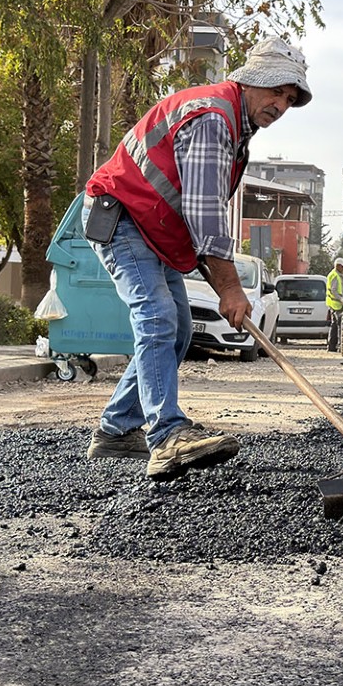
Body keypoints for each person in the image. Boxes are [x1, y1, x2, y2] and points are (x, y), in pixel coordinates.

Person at [80, 36, 311, 479]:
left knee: (180, 328)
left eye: (289, 98)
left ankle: (116, 429)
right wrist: (230, 287)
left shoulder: (235, 126)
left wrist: (224, 283)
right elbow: (205, 213)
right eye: (276, 91)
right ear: (252, 80)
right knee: (157, 317)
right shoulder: (212, 119)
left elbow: (196, 213)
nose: (281, 105)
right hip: (123, 216)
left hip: (152, 226)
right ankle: (167, 435)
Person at [325, 257, 343, 352]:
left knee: (334, 325)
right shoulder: (335, 275)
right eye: (342, 267)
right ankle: (340, 346)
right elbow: (334, 291)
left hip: (333, 304)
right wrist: (342, 300)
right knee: (340, 325)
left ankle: (331, 346)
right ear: (338, 266)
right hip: (336, 304)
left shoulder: (333, 274)